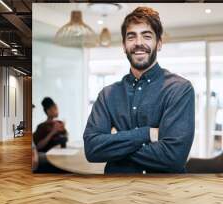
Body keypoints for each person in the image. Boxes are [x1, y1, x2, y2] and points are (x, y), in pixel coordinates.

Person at [83, 7, 195, 174]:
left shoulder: (179, 89)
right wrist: (147, 134)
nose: (138, 43)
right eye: (131, 36)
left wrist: (115, 144)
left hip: (164, 195)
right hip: (116, 192)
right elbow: (92, 148)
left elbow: (173, 158)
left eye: (147, 36)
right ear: (124, 45)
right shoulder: (107, 95)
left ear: (159, 43)